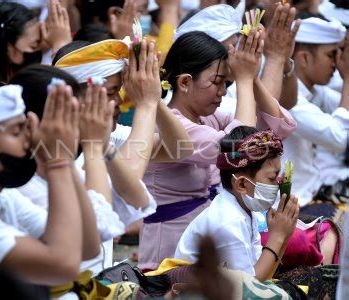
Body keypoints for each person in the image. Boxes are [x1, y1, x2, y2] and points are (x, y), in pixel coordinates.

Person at [139, 30, 297, 270]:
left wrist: (251, 77)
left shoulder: (210, 118)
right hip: (168, 260)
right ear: (184, 82)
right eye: (217, 82)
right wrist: (243, 80)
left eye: (227, 82)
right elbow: (241, 149)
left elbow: (279, 126)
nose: (223, 91)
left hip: (216, 248)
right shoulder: (172, 124)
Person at [0, 77, 101, 285]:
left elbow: (88, 246)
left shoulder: (1, 193)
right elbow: (63, 266)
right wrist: (58, 162)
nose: (30, 140)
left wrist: (61, 156)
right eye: (17, 131)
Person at [10, 64, 157, 274]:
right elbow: (102, 227)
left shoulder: (72, 167)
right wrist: (94, 145)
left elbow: (139, 199)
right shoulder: (21, 185)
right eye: (72, 116)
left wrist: (104, 145)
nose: (83, 123)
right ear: (34, 124)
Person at [53, 38, 194, 180]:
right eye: (110, 93)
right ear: (71, 98)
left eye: (118, 91)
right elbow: (130, 180)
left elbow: (180, 149)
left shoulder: (110, 136)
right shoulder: (56, 151)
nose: (119, 100)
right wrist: (147, 103)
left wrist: (154, 99)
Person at [175, 127, 299, 282]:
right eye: (272, 178)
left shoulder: (244, 210)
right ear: (241, 184)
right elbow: (248, 289)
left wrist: (284, 235)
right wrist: (277, 236)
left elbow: (260, 272)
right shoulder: (228, 222)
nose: (278, 183)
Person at [282, 14, 349, 208]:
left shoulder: (316, 90)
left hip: (312, 191)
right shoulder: (287, 99)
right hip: (294, 202)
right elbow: (339, 139)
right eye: (331, 55)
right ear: (303, 58)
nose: (336, 63)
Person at [0, 0, 71, 82]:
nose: (39, 52)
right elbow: (63, 87)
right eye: (33, 46)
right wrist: (60, 45)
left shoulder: (19, 76)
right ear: (7, 48)